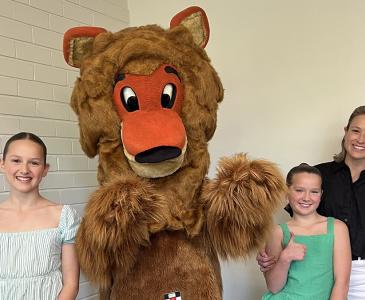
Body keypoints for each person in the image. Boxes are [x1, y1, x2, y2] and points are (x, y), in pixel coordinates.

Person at [258, 105, 365, 299]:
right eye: (356, 130)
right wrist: (272, 256)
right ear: (346, 131)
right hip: (321, 275)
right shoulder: (318, 176)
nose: (361, 139)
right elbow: (296, 228)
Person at [0, 132, 80, 299]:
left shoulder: (64, 216)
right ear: (2, 164)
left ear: (45, 169)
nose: (24, 169)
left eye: (34, 163)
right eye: (16, 160)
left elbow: (71, 284)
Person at [262, 163, 351, 299]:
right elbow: (274, 287)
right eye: (299, 190)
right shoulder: (277, 232)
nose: (306, 198)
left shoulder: (338, 228)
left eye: (314, 191)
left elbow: (342, 283)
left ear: (321, 194)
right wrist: (285, 258)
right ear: (287, 192)